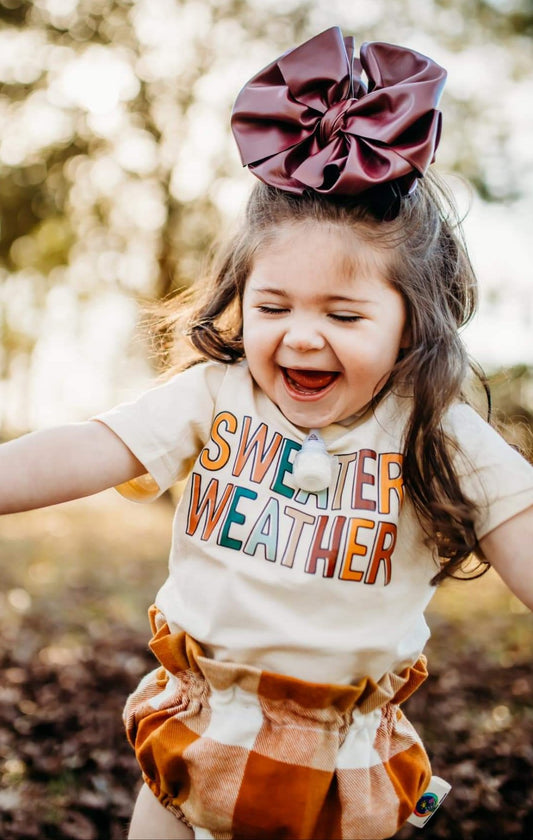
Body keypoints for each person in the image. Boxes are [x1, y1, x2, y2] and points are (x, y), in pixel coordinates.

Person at [1, 25, 532, 840]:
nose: (301, 336)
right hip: (192, 734)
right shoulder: (218, 395)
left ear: (411, 325)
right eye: (273, 306)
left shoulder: (437, 433)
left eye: (343, 315)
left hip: (337, 770)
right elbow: (87, 447)